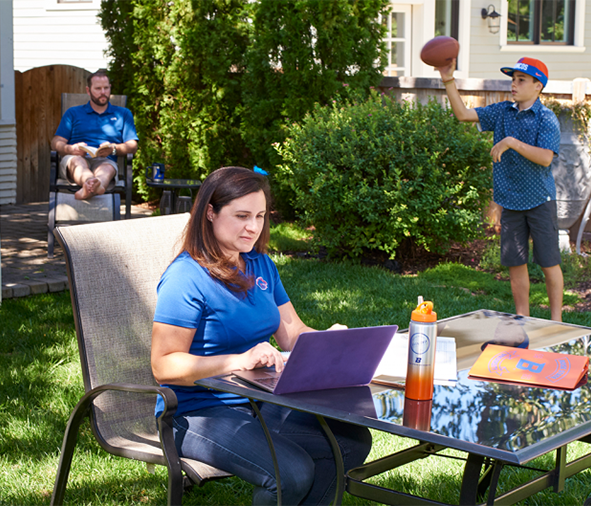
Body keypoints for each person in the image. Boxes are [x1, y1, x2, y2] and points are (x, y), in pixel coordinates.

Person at [150, 167, 372, 505]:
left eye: (260, 216)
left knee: (351, 442)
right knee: (291, 472)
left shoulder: (260, 265)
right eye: (241, 216)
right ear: (210, 212)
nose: (253, 227)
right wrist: (239, 361)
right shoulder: (186, 277)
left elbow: (292, 332)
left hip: (261, 401)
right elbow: (164, 365)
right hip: (198, 412)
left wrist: (330, 342)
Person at [437, 57, 564, 321]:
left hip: (541, 200)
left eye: (521, 80)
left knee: (549, 264)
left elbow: (545, 158)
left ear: (538, 86)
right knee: (516, 264)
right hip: (511, 202)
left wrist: (511, 142)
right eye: (513, 79)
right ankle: (523, 320)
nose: (514, 85)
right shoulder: (502, 112)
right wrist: (447, 78)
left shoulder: (546, 118)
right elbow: (463, 114)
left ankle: (556, 322)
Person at [50, 70, 138, 200]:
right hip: (75, 158)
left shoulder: (123, 114)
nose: (103, 92)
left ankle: (90, 187)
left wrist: (113, 149)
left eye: (106, 88)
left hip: (106, 160)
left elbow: (133, 145)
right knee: (78, 162)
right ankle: (93, 184)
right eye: (98, 88)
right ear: (88, 90)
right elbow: (55, 142)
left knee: (107, 168)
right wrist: (71, 149)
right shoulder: (73, 113)